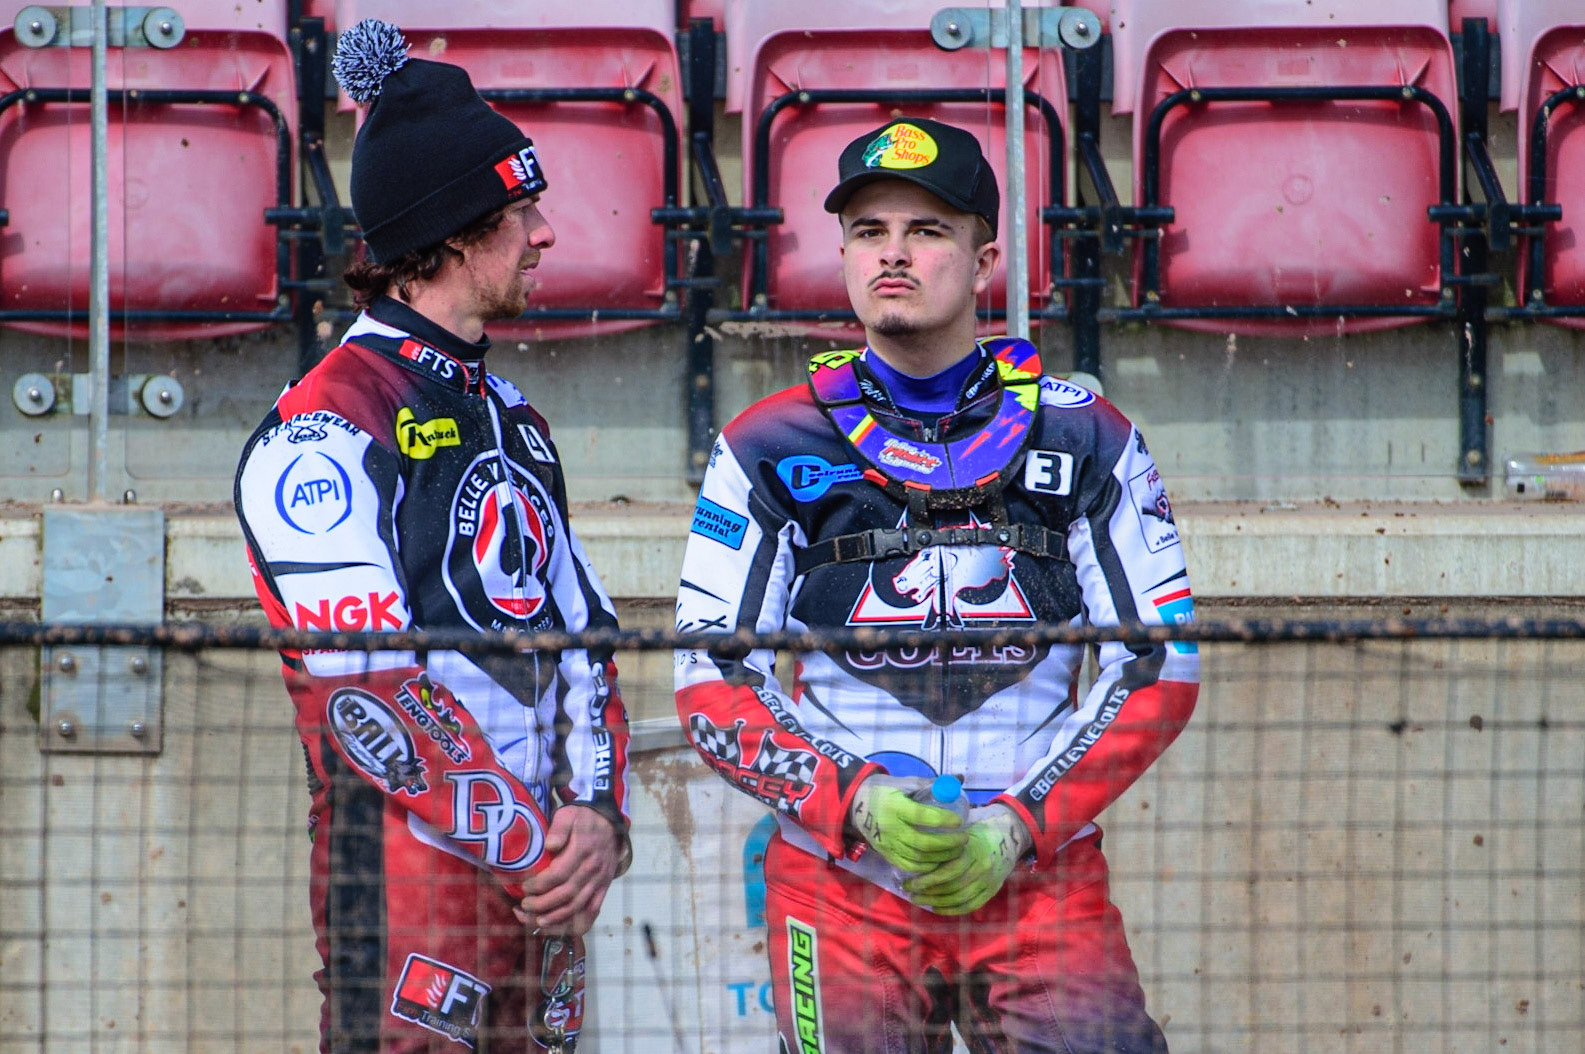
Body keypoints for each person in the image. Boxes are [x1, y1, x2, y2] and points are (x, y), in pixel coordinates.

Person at [673, 116, 1199, 1053]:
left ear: (985, 259)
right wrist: (853, 800)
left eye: (926, 231)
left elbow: (1160, 666)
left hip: (1036, 877)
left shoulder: (1089, 435)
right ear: (842, 254)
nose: (893, 254)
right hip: (838, 885)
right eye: (868, 231)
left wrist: (1019, 824)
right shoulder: (764, 442)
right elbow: (710, 675)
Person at [234, 20, 629, 1053]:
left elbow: (587, 640)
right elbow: (368, 686)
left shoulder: (516, 417)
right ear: (455, 233)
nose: (545, 233)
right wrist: (534, 845)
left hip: (543, 894)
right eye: (522, 212)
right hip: (417, 889)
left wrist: (598, 818)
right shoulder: (325, 425)